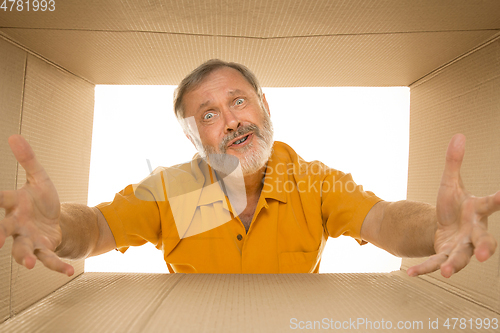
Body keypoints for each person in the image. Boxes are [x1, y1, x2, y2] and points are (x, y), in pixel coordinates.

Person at [0, 59, 498, 276]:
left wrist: (437, 227)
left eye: (239, 101)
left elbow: (384, 219)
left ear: (263, 105)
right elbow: (99, 226)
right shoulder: (173, 189)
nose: (232, 121)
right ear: (194, 138)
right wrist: (58, 228)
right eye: (209, 115)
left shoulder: (314, 181)